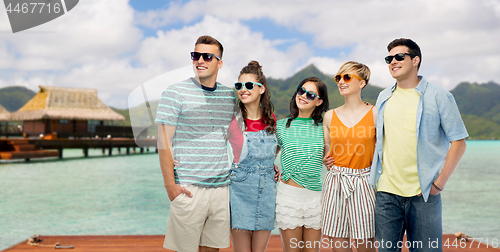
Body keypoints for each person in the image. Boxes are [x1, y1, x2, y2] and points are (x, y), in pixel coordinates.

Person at [369, 38, 468, 252]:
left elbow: (459, 142)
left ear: (416, 60)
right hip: (386, 193)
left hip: (424, 194)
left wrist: (438, 185)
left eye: (399, 57)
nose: (392, 62)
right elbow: (377, 139)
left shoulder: (440, 96)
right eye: (389, 58)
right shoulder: (383, 96)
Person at [155, 35, 235, 252]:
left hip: (221, 188)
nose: (200, 60)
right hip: (188, 188)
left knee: (212, 249)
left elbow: (238, 138)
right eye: (195, 55)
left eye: (207, 56)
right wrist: (170, 186)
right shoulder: (174, 93)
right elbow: (163, 143)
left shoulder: (229, 96)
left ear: (219, 63)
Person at [322, 61, 376, 252]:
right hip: (336, 182)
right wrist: (325, 158)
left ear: (362, 83)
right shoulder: (329, 116)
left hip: (365, 182)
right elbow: (326, 151)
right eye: (338, 78)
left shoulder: (376, 113)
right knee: (339, 244)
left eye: (347, 77)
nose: (341, 82)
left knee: (366, 244)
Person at [227, 60, 277, 252]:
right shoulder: (232, 120)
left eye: (249, 85)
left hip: (267, 190)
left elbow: (276, 147)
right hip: (239, 188)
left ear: (261, 89)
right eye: (239, 86)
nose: (243, 89)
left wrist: (271, 164)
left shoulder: (270, 119)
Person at [275, 77, 329, 252]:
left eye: (310, 94)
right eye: (301, 90)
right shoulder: (281, 126)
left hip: (315, 199)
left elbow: (333, 154)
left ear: (319, 101)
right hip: (287, 198)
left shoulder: (325, 126)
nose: (303, 96)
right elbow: (268, 154)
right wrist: (272, 166)